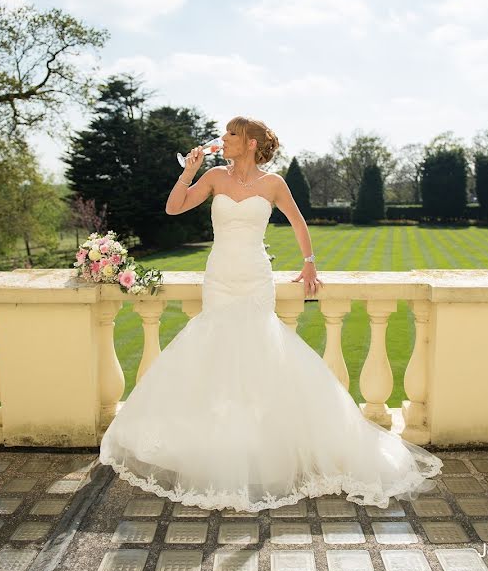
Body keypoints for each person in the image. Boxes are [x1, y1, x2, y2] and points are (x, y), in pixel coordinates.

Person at [98, 116, 442, 511]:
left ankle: (264, 449)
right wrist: (189, 172)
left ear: (250, 143)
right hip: (221, 278)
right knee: (217, 356)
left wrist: (309, 262)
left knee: (259, 355)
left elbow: (297, 221)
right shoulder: (213, 177)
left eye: (231, 134)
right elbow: (174, 208)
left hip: (255, 279)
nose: (223, 139)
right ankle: (220, 447)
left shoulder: (273, 183)